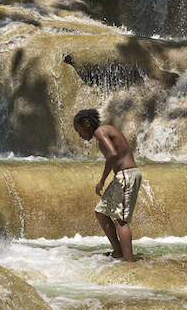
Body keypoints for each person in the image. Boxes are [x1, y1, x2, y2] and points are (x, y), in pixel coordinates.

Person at [73, 109, 142, 262]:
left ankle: (129, 262)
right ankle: (118, 251)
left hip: (126, 174)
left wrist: (102, 180)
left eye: (79, 130)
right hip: (121, 176)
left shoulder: (100, 131)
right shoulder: (104, 131)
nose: (80, 135)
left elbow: (112, 154)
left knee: (120, 220)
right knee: (101, 212)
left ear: (87, 124)